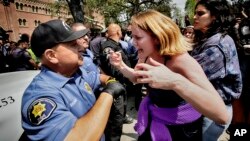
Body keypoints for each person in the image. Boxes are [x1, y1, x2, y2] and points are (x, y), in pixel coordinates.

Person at [108, 9, 229, 141]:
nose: (132, 42)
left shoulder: (181, 60)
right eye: (133, 36)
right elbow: (137, 77)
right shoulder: (146, 54)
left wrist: (175, 81)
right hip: (154, 119)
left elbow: (221, 115)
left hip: (183, 130)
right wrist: (120, 66)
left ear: (157, 37)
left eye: (138, 37)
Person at [20, 19, 126, 141]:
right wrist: (108, 93)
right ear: (51, 56)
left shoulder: (74, 72)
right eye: (72, 45)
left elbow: (97, 77)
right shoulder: (41, 96)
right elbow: (79, 138)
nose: (79, 48)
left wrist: (110, 81)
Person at [190, 0, 243, 141]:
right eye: (195, 13)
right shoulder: (210, 39)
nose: (195, 17)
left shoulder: (217, 45)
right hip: (208, 106)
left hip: (213, 112)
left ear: (215, 16)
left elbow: (190, 74)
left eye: (200, 13)